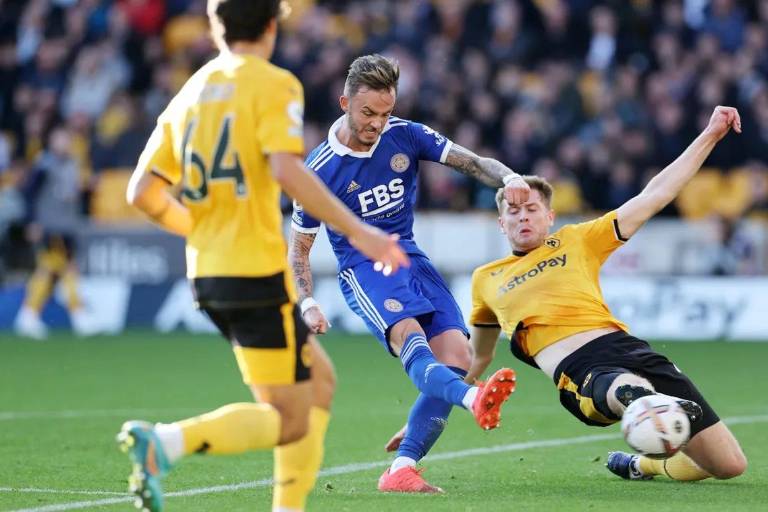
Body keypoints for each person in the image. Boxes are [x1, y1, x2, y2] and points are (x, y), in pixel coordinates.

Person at [117, 2, 408, 512]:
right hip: (252, 270)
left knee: (321, 382)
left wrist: (203, 231)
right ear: (273, 26)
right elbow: (287, 171)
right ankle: (166, 443)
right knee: (289, 418)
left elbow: (141, 191)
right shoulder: (274, 84)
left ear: (215, 26)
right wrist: (360, 232)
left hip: (208, 271)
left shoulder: (192, 91)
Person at [464, 105, 747, 483]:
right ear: (501, 223)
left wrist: (710, 133)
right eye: (513, 212)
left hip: (628, 348)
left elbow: (655, 194)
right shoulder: (486, 278)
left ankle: (640, 464)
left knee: (729, 466)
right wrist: (435, 411)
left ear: (550, 216)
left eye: (532, 209)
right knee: (634, 392)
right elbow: (476, 355)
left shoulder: (578, 239)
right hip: (580, 371)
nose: (523, 217)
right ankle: (648, 404)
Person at [288, 53, 527, 494]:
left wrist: (511, 177)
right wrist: (308, 302)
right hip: (364, 269)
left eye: (385, 112)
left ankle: (401, 469)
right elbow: (300, 248)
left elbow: (472, 163)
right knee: (412, 341)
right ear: (344, 103)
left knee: (458, 359)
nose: (377, 123)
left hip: (411, 257)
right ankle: (475, 399)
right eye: (367, 113)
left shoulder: (406, 135)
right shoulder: (318, 171)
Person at [13, 126, 98, 339]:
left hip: (68, 226)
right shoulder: (44, 164)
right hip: (50, 226)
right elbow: (29, 194)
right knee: (64, 269)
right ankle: (77, 314)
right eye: (59, 139)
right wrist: (31, 222)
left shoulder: (74, 164)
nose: (63, 143)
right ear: (51, 142)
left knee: (50, 271)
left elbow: (74, 194)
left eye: (66, 139)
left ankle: (28, 315)